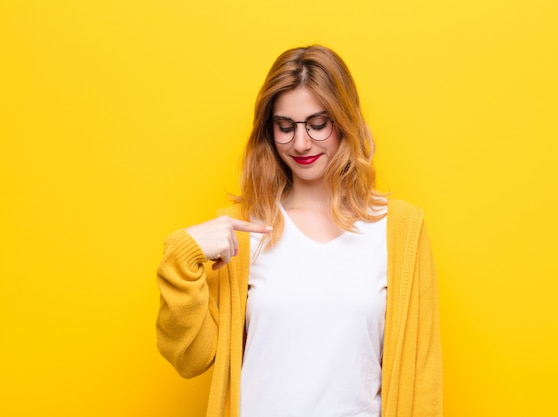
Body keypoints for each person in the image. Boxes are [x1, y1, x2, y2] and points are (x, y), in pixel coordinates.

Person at [156, 45, 442, 417]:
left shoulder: (399, 230)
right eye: (285, 127)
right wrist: (183, 257)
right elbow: (191, 358)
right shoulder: (243, 229)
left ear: (345, 121)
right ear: (268, 130)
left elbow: (421, 375)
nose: (301, 143)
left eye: (317, 124)